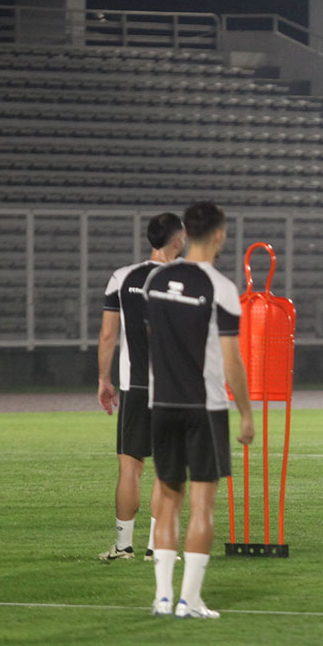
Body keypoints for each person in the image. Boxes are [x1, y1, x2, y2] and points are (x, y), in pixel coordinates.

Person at [144, 201, 254, 618]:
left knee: (168, 499)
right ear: (220, 235)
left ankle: (162, 597)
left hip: (161, 402)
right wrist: (245, 412)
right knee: (203, 504)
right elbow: (232, 361)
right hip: (204, 405)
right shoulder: (222, 288)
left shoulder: (156, 280)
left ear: (185, 233)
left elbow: (153, 340)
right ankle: (189, 599)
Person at [96, 213, 185, 560]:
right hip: (173, 389)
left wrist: (105, 379)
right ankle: (157, 548)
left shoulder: (123, 277)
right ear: (177, 240)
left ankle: (123, 546)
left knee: (130, 467)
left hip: (134, 385)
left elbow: (107, 335)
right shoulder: (186, 279)